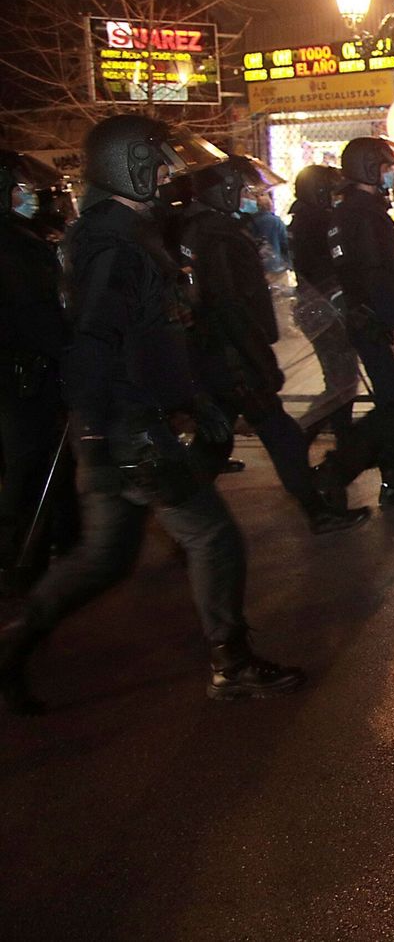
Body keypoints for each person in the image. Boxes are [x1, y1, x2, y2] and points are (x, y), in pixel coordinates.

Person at [0, 114, 304, 714]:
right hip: (128, 428)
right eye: (157, 162)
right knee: (213, 537)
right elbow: (93, 343)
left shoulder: (125, 232)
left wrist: (194, 400)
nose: (168, 173)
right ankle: (232, 664)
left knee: (104, 560)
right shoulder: (112, 243)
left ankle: (10, 650)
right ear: (129, 166)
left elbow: (150, 338)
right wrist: (110, 430)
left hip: (125, 425)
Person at [176, 154, 368, 534]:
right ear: (225, 191)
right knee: (280, 439)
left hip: (223, 357)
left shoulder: (209, 230)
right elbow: (231, 307)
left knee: (215, 443)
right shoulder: (218, 237)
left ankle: (185, 516)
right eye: (247, 190)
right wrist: (257, 361)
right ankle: (316, 512)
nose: (256, 197)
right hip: (233, 359)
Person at [313, 137, 394, 508]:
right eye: (384, 168)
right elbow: (375, 274)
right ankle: (338, 469)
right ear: (367, 169)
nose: (390, 175)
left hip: (363, 317)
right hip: (375, 320)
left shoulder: (348, 211)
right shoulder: (364, 215)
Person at [0, 152, 76, 592]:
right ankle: (18, 561)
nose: (29, 196)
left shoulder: (22, 240)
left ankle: (55, 541)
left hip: (20, 373)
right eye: (20, 189)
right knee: (30, 467)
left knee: (35, 465)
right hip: (26, 377)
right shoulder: (17, 248)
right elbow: (37, 314)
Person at [286, 164, 358, 453]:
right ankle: (300, 437)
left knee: (342, 381)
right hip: (324, 309)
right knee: (341, 382)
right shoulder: (316, 223)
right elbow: (327, 269)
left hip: (318, 306)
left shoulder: (303, 219)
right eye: (331, 191)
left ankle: (343, 442)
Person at [244, 184, 290, 273]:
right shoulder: (269, 221)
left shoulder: (249, 221)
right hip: (275, 274)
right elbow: (273, 255)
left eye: (261, 194)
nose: (259, 198)